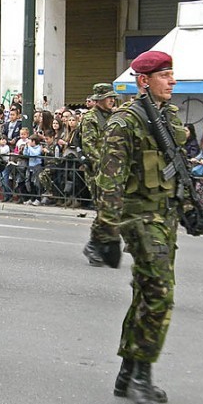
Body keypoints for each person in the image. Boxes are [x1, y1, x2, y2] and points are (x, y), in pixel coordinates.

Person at [91, 50, 190, 404]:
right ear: (144, 81)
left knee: (147, 293)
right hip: (138, 217)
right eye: (165, 75)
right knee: (161, 294)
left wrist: (191, 207)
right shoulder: (125, 121)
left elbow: (175, 169)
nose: (173, 82)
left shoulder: (168, 117)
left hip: (165, 215)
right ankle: (142, 375)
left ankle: (128, 371)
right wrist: (107, 232)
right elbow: (110, 181)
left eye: (172, 75)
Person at [81, 82, 118, 266]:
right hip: (98, 170)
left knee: (109, 209)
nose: (112, 100)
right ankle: (93, 245)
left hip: (113, 170)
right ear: (99, 99)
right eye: (108, 97)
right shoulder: (91, 118)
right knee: (103, 209)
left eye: (113, 97)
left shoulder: (113, 116)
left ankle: (96, 244)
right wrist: (102, 166)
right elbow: (89, 145)